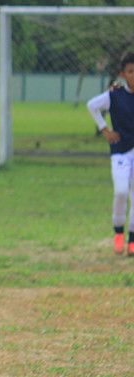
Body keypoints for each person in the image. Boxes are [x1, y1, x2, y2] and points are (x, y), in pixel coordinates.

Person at [88, 53, 134, 256]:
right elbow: (92, 105)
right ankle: (118, 233)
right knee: (121, 192)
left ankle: (132, 241)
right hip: (120, 152)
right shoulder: (114, 95)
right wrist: (105, 129)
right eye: (131, 71)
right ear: (122, 74)